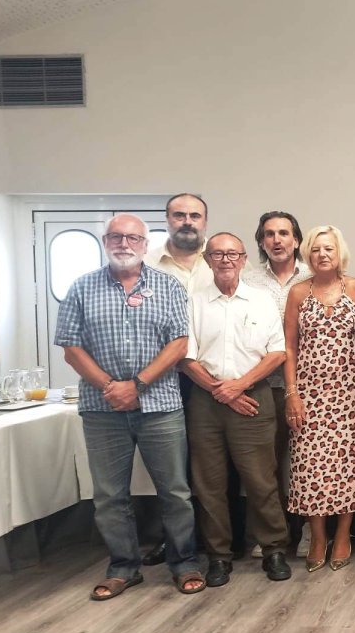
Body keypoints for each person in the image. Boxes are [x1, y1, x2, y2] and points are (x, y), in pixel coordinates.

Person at [54, 213, 205, 599]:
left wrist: (137, 384)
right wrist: (111, 386)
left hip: (161, 406)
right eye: (116, 237)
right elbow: (71, 347)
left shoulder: (168, 286)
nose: (125, 244)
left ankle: (184, 562)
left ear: (145, 244)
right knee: (109, 495)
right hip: (101, 408)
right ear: (105, 242)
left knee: (175, 491)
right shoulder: (81, 288)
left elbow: (179, 344)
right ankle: (123, 567)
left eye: (133, 238)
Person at [182, 232, 291, 586]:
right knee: (209, 483)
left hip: (253, 397)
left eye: (233, 254)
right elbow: (186, 357)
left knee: (261, 480)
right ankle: (218, 557)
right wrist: (222, 391)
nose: (226, 260)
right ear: (207, 259)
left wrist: (240, 386)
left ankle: (273, 549)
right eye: (218, 254)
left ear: (244, 259)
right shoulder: (193, 302)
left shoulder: (260, 301)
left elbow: (277, 352)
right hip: (205, 401)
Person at [285, 225, 355, 572]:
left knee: (349, 465)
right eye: (317, 249)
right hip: (309, 395)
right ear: (308, 253)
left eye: (329, 249)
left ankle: (344, 535)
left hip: (349, 394)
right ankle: (318, 536)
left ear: (340, 254)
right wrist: (292, 394)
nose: (323, 255)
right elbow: (288, 346)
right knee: (308, 468)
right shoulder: (297, 293)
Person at [140, 192, 214, 566]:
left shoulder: (218, 262)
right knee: (172, 465)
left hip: (213, 378)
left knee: (212, 462)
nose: (187, 221)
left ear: (205, 221)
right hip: (164, 377)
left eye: (195, 216)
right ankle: (174, 541)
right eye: (179, 215)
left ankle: (216, 540)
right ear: (167, 219)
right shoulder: (147, 265)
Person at [242, 211, 313, 558]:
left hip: (311, 386)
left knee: (309, 461)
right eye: (269, 234)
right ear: (261, 241)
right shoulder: (249, 282)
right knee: (266, 465)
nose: (277, 240)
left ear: (297, 240)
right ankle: (272, 536)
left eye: (284, 233)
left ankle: (311, 532)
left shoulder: (316, 276)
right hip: (263, 384)